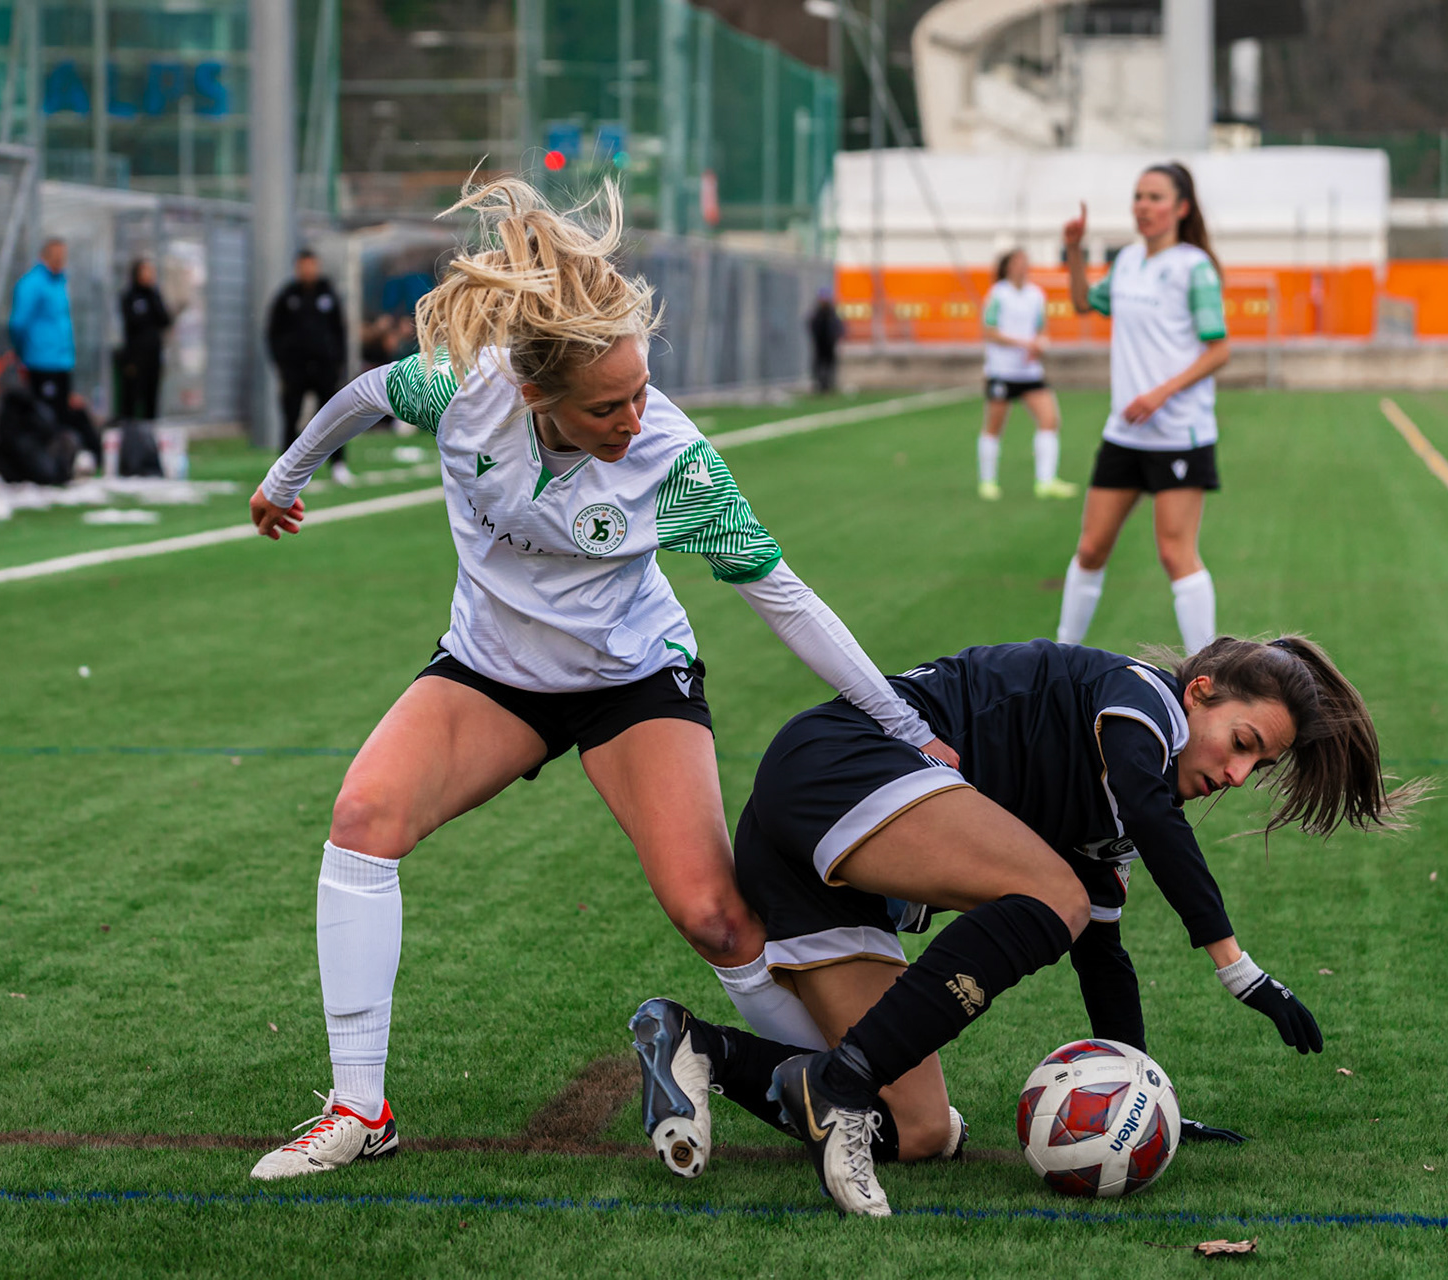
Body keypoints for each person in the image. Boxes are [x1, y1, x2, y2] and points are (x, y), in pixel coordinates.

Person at [242, 177, 957, 1182]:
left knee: (712, 911)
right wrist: (287, 478)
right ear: (537, 396)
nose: (635, 414)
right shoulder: (463, 389)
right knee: (363, 815)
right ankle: (359, 1105)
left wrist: (902, 720)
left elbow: (782, 594)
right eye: (608, 404)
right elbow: (363, 395)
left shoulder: (672, 455)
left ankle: (836, 1088)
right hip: (493, 673)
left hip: (632, 677)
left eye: (640, 388)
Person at [630, 634, 1426, 1215]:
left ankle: (699, 1048)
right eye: (1243, 743)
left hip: (822, 871)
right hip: (840, 765)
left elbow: (1102, 958)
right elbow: (1149, 815)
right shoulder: (1141, 696)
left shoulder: (1117, 814)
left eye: (1260, 769)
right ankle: (834, 1084)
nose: (1235, 774)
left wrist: (1149, 1101)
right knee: (1056, 896)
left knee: (918, 1132)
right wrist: (1236, 966)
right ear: (1202, 692)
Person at [1057, 163, 1231, 655]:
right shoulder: (1128, 262)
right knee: (1090, 549)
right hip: (1125, 435)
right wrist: (1073, 248)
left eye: (1155, 197)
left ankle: (1208, 667)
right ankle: (1061, 654)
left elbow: (1219, 350)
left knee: (1175, 554)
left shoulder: (1193, 267)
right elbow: (1080, 303)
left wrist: (1159, 394)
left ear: (1180, 207)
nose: (1144, 206)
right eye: (1138, 196)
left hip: (1178, 433)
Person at [978, 249, 1076, 501]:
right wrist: (1023, 343)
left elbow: (1041, 329)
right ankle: (987, 481)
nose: (1024, 266)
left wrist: (1040, 344)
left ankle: (1045, 481)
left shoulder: (1036, 295)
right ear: (1007, 266)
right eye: (1018, 262)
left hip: (1030, 372)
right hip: (1002, 371)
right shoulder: (998, 294)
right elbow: (989, 331)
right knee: (994, 427)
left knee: (1050, 420)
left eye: (1026, 261)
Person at [8, 237, 102, 469]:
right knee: (44, 417)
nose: (61, 260)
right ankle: (43, 464)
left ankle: (61, 462)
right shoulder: (31, 284)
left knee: (62, 414)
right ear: (44, 256)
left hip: (61, 362)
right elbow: (18, 323)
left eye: (64, 256)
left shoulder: (59, 283)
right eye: (56, 255)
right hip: (40, 362)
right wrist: (24, 352)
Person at [268, 249, 353, 485]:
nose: (308, 270)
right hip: (295, 370)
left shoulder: (328, 295)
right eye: (304, 266)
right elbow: (273, 333)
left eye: (311, 265)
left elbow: (339, 332)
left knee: (334, 417)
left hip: (325, 368)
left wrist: (338, 363)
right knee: (290, 418)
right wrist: (282, 363)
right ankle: (285, 470)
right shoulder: (287, 297)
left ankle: (338, 464)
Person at [117, 258, 171, 421]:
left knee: (151, 396)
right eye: (145, 271)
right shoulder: (129, 296)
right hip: (135, 356)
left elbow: (165, 320)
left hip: (153, 355)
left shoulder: (154, 295)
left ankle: (150, 434)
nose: (149, 275)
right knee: (132, 397)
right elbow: (133, 323)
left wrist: (152, 295)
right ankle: (129, 434)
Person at [807, 288, 844, 395]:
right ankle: (819, 385)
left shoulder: (831, 313)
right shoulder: (817, 313)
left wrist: (835, 337)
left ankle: (828, 385)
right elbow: (812, 326)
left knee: (829, 365)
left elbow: (838, 326)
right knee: (819, 365)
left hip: (830, 343)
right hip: (819, 343)